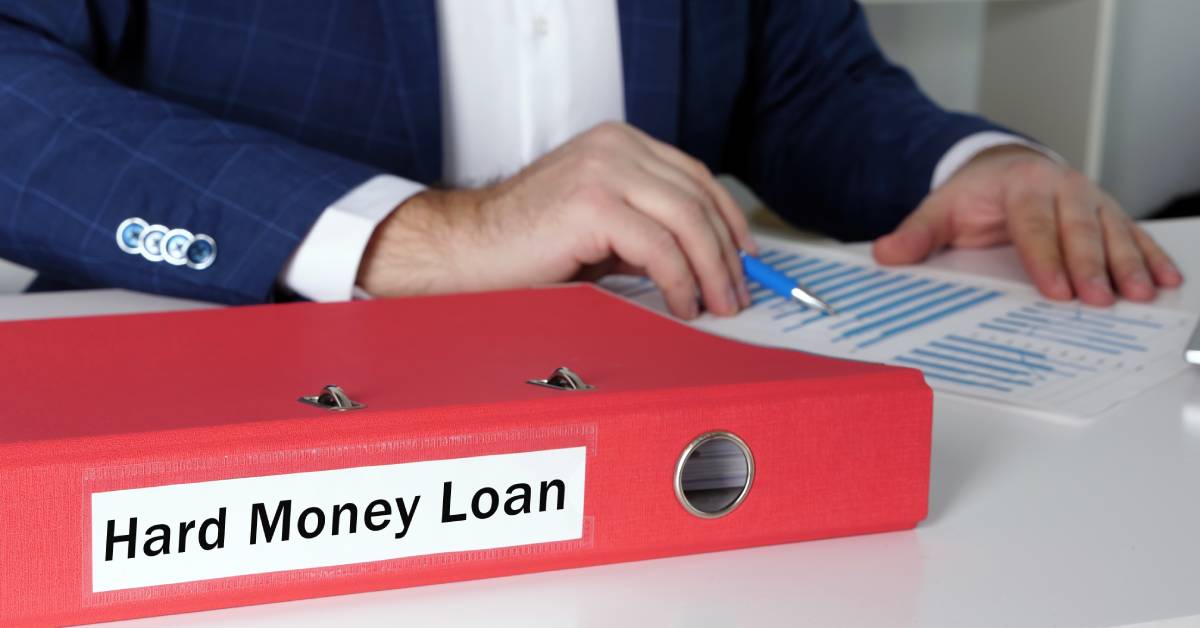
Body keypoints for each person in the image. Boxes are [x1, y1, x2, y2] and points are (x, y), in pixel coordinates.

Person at [0, 1, 1182, 320]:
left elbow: (796, 74)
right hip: (229, 461)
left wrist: (961, 162)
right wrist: (421, 236)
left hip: (655, 429)